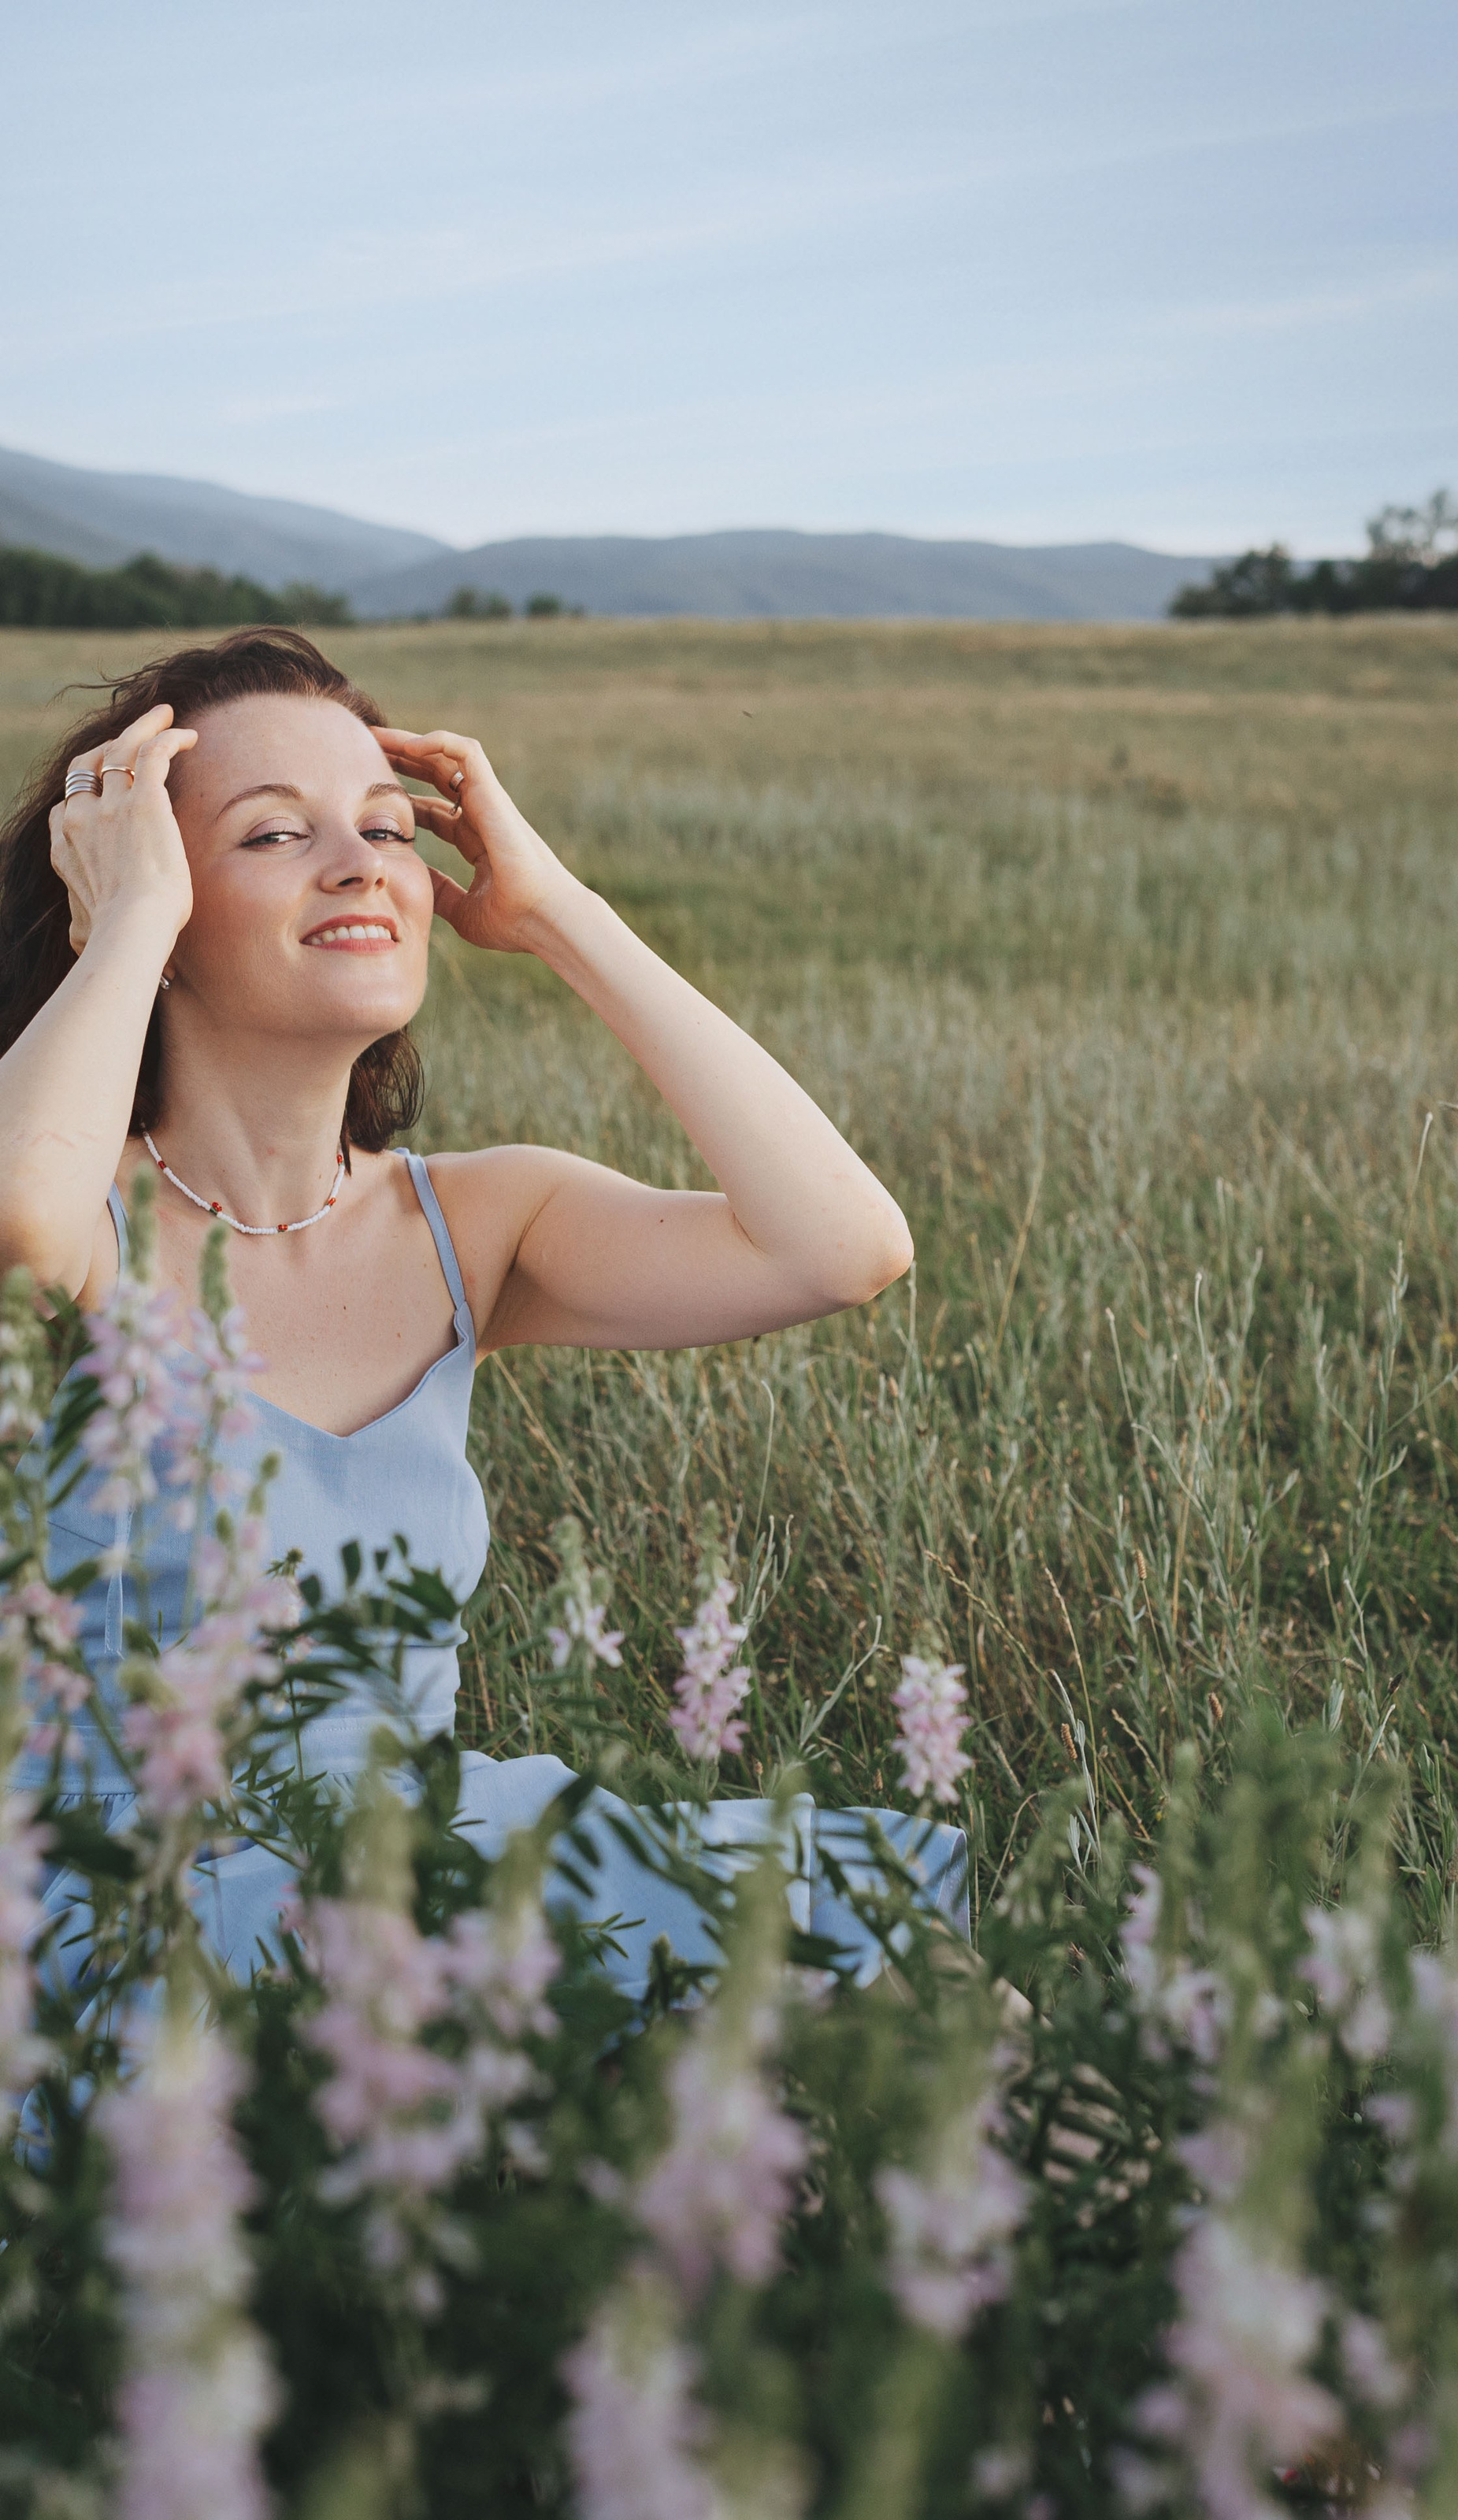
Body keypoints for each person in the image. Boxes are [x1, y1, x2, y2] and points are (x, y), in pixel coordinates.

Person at [0, 628, 964, 1992]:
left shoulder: (477, 1220)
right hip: (130, 1913)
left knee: (929, 1992)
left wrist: (559, 912)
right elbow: (22, 1233)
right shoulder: (64, 1210)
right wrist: (125, 929)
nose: (362, 867)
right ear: (141, 889)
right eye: (275, 836)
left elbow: (845, 1247)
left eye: (389, 829)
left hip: (423, 1865)